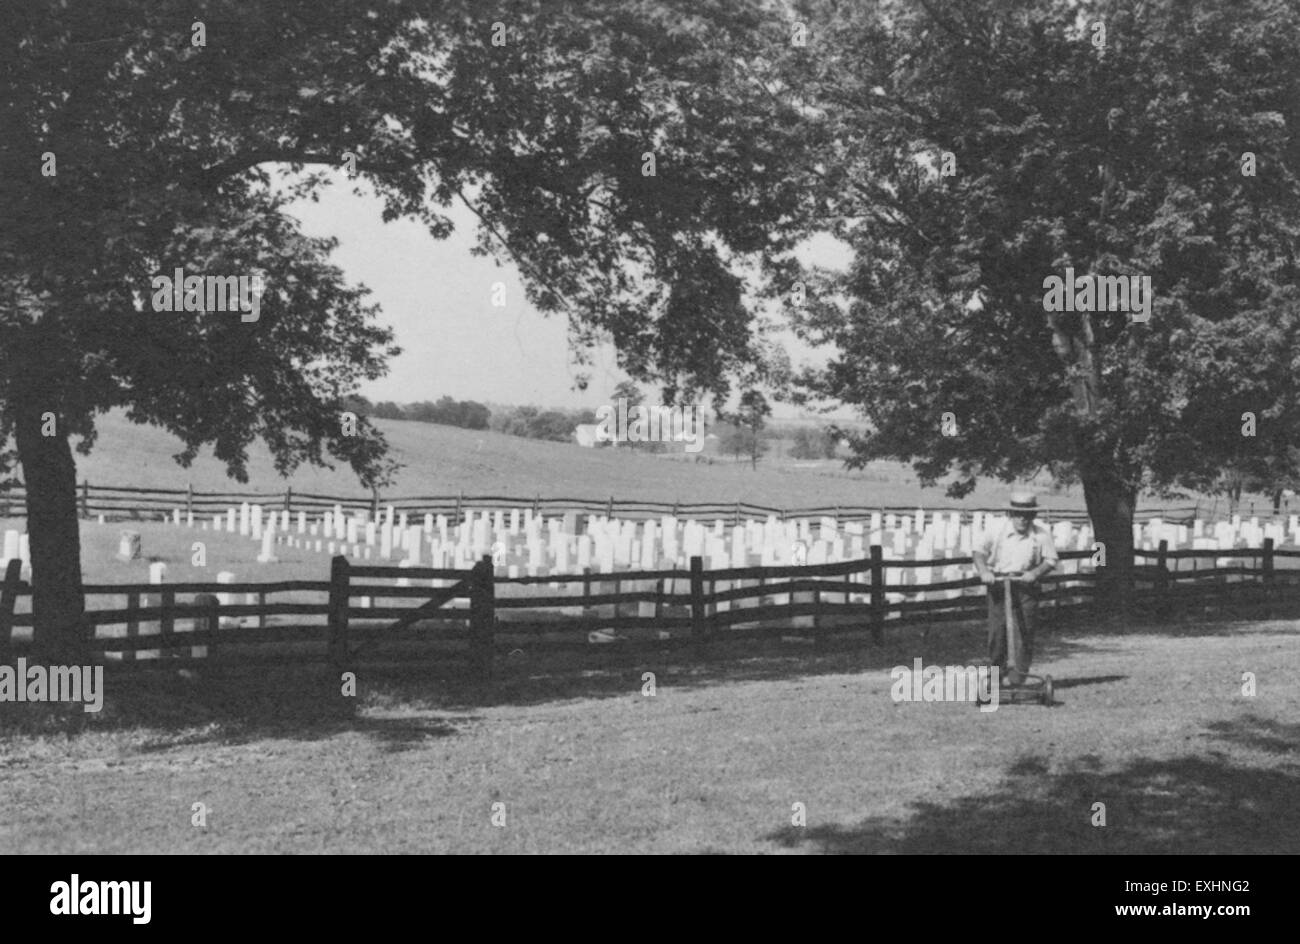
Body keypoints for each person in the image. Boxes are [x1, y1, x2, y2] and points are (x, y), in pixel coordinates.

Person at [971, 492, 1058, 686]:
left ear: (1033, 516)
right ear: (1010, 513)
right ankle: (996, 676)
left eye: (1027, 515)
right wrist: (985, 571)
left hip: (1027, 587)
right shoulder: (995, 529)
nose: (1022, 519)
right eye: (1018, 514)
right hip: (999, 585)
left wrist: (1035, 573)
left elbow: (1051, 560)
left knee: (1024, 633)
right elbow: (978, 552)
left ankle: (1018, 679)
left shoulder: (1041, 534)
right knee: (997, 633)